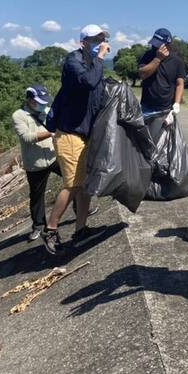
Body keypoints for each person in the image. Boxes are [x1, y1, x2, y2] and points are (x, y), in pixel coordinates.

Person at [44, 24, 110, 253]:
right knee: (72, 184)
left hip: (85, 135)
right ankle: (50, 229)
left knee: (84, 185)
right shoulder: (73, 62)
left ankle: (81, 229)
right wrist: (101, 57)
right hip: (69, 133)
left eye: (102, 39)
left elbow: (99, 94)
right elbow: (89, 82)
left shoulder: (95, 66)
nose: (100, 43)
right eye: (95, 40)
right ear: (83, 42)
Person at [12, 85, 57, 242]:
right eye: (39, 101)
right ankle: (38, 226)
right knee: (37, 196)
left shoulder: (46, 111)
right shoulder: (19, 115)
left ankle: (80, 210)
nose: (42, 104)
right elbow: (27, 137)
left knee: (74, 181)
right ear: (30, 100)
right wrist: (51, 132)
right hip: (35, 163)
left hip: (53, 156)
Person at [138, 27, 186, 137]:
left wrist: (177, 103)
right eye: (154, 44)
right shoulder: (148, 55)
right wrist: (157, 59)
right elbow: (142, 74)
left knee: (162, 144)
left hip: (165, 110)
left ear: (167, 44)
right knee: (145, 141)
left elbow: (180, 83)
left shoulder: (177, 61)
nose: (154, 47)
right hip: (146, 107)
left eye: (157, 45)